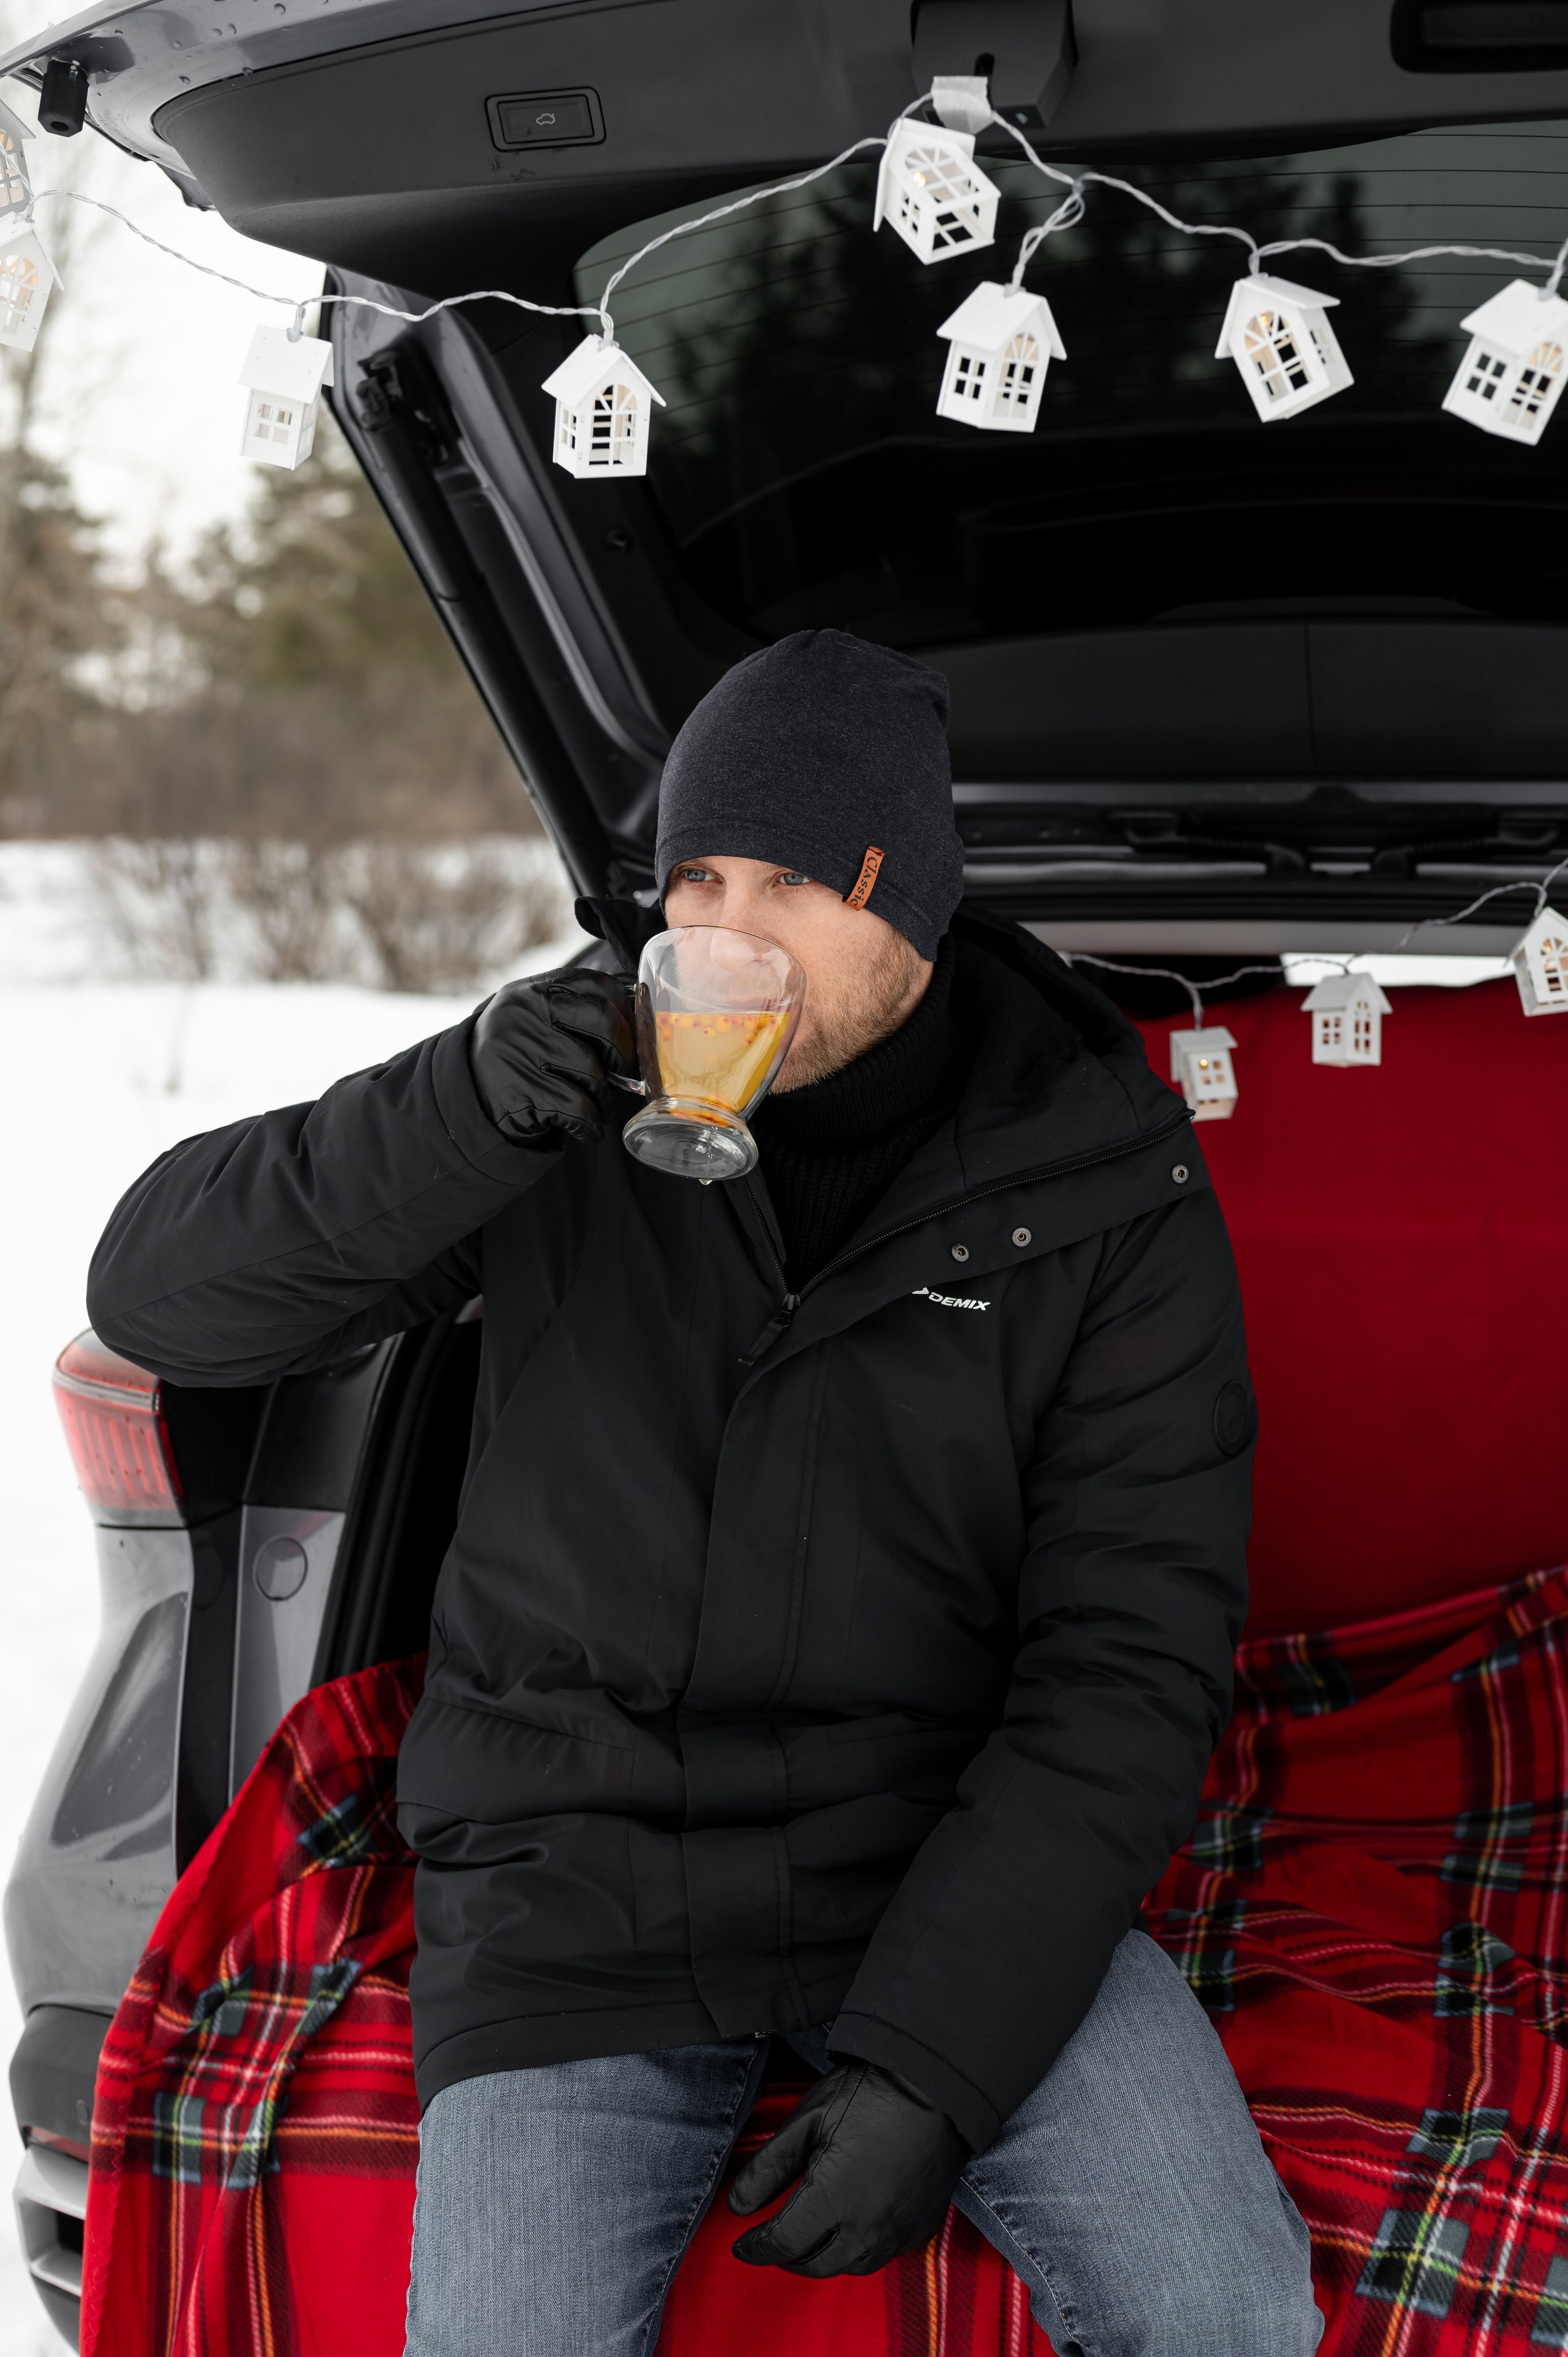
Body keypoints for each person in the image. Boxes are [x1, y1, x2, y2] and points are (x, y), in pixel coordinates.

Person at [87, 630, 1322, 2356]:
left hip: (931, 1842)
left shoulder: (1099, 1180)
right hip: (574, 1869)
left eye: (790, 883)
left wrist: (937, 2059)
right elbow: (159, 1295)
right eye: (695, 880)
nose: (721, 936)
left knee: (1234, 2310)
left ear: (912, 904)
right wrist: (462, 1105)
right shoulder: (565, 1095)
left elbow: (1126, 1668)